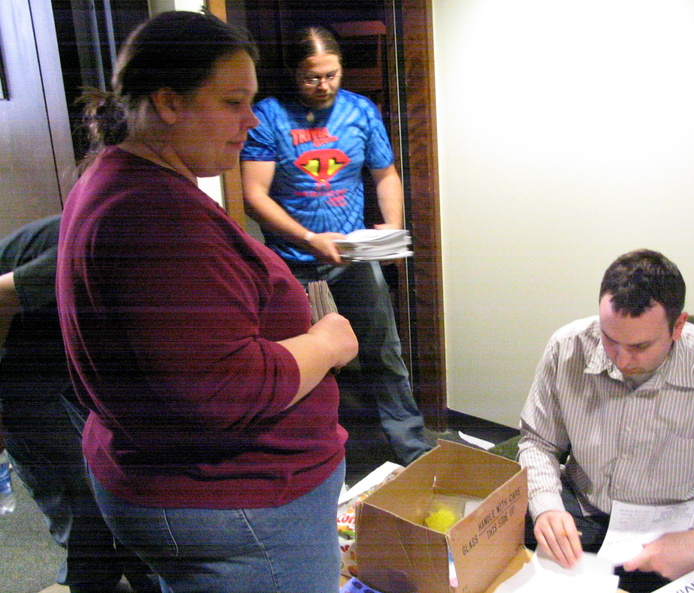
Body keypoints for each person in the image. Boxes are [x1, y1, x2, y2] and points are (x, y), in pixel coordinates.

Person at [56, 11, 358, 593]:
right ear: (168, 102)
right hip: (234, 502)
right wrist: (325, 344)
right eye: (232, 102)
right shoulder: (156, 217)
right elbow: (223, 388)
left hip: (183, 485)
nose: (250, 121)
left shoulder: (116, 177)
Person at [518, 249, 694, 593]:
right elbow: (537, 442)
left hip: (680, 526)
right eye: (609, 339)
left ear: (678, 325)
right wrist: (546, 507)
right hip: (584, 507)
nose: (621, 360)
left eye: (640, 346)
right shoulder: (567, 347)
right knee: (488, 548)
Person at [240, 25, 432, 466]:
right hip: (290, 263)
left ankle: (414, 452)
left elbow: (385, 175)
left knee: (384, 353)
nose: (323, 85)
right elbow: (254, 195)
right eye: (312, 77)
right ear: (294, 73)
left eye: (332, 74)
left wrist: (391, 228)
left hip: (351, 258)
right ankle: (306, 457)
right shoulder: (267, 116)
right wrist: (308, 237)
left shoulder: (361, 112)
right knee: (294, 363)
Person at [0, 215, 160, 593]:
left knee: (128, 503)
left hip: (68, 364)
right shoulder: (104, 239)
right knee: (84, 523)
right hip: (27, 375)